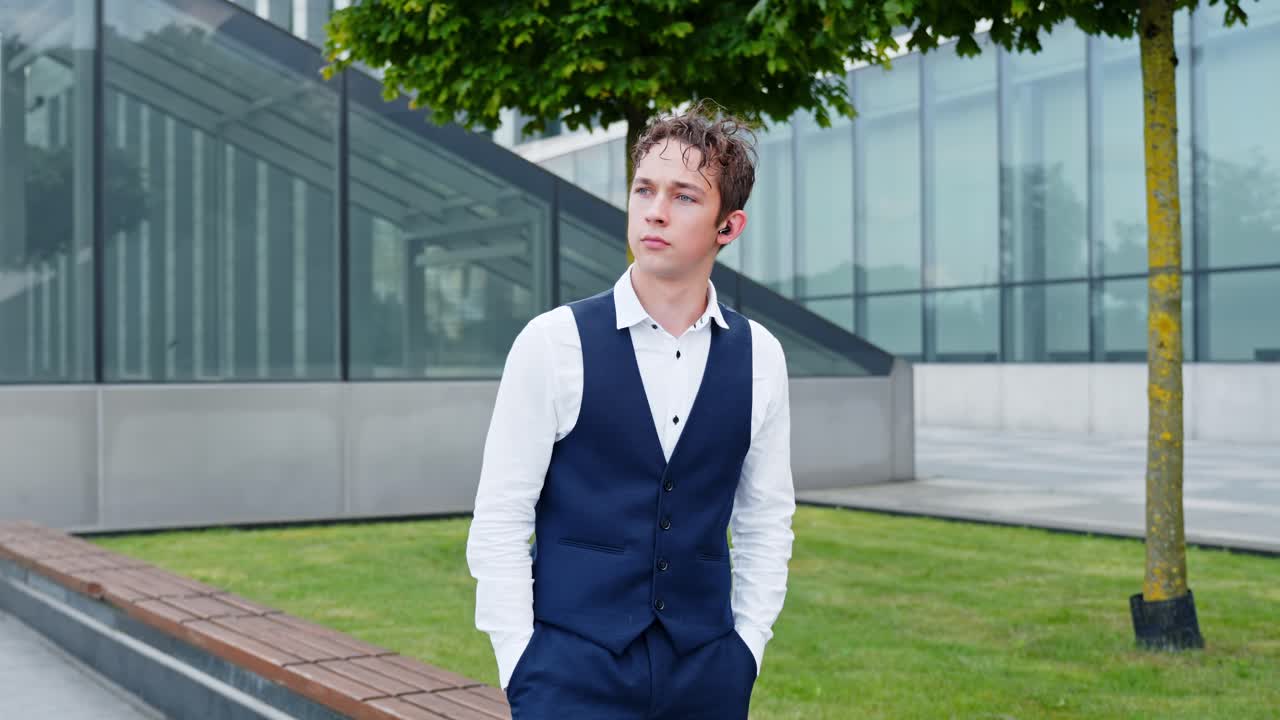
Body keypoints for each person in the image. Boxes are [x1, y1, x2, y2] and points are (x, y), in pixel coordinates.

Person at [465, 102, 796, 719]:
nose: (656, 210)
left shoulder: (761, 357)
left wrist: (745, 650)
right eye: (644, 189)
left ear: (730, 226)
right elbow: (500, 518)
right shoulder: (553, 342)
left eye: (685, 196)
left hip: (708, 676)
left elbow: (766, 521)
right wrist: (522, 664)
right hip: (569, 676)